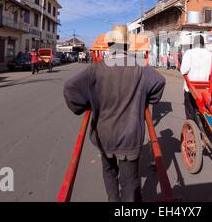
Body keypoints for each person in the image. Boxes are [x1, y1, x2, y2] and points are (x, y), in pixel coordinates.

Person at [63, 25, 166, 202]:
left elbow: (70, 87)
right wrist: (148, 99)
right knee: (130, 181)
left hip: (104, 135)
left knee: (109, 172)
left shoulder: (97, 68)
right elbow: (159, 82)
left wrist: (83, 105)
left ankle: (113, 200)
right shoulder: (140, 68)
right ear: (127, 46)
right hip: (130, 137)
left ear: (110, 45)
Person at [180, 35, 212, 121]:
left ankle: (192, 127)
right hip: (204, 89)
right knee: (203, 111)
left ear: (194, 43)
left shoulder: (189, 53)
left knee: (190, 111)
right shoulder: (210, 54)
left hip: (190, 89)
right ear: (203, 43)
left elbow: (183, 70)